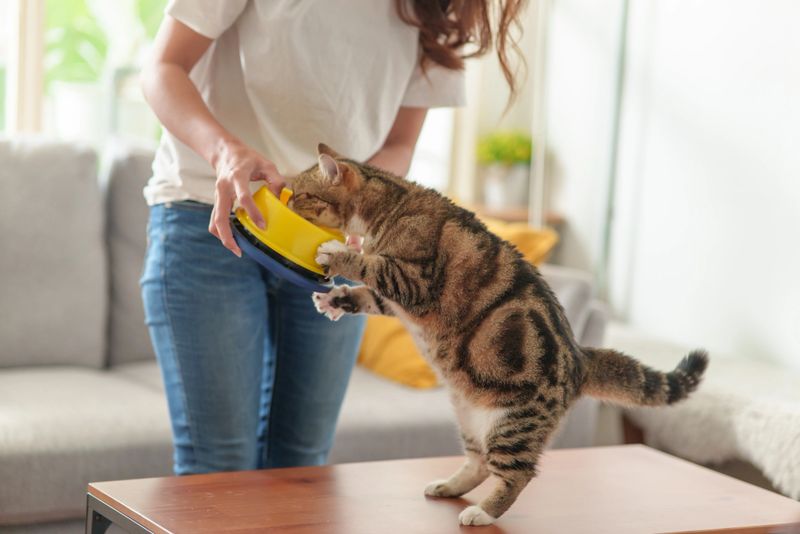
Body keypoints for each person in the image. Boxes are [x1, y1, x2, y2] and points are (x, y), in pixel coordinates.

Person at [140, 0, 524, 475]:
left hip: (332, 249)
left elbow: (399, 144)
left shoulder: (439, 9)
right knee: (218, 469)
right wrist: (225, 151)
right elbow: (162, 67)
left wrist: (360, 209)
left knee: (304, 469)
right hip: (210, 219)